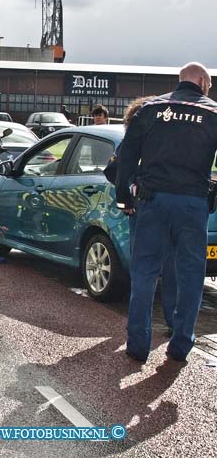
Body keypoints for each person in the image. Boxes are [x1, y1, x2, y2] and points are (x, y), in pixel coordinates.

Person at [117, 62, 217, 363]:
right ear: (200, 81)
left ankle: (138, 345)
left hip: (153, 200)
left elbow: (127, 157)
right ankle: (181, 344)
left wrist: (125, 197)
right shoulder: (213, 112)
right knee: (190, 275)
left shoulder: (149, 109)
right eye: (209, 85)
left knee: (145, 273)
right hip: (192, 204)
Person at [105, 97, 176, 333]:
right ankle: (172, 321)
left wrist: (128, 195)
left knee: (143, 270)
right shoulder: (166, 139)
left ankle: (138, 329)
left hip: (141, 209)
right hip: (171, 209)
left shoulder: (132, 141)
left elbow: (113, 169)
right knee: (171, 268)